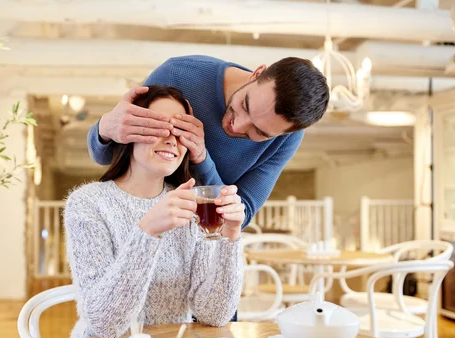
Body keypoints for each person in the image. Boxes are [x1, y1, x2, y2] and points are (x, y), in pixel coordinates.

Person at [64, 86, 245, 338]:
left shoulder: (191, 204)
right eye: (159, 127)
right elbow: (104, 325)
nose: (172, 139)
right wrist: (147, 231)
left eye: (181, 131)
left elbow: (214, 314)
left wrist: (231, 236)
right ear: (128, 131)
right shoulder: (88, 203)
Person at [87, 55, 330, 229]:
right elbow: (108, 156)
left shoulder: (286, 140)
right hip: (135, 223)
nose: (238, 125)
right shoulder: (178, 74)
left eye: (259, 131)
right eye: (245, 105)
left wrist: (202, 159)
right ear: (256, 74)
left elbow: (239, 215)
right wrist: (105, 128)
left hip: (197, 240)